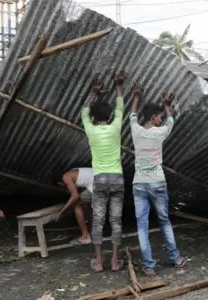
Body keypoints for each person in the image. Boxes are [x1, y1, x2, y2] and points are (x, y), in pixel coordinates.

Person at [129, 83, 188, 277]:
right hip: (157, 182)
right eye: (159, 117)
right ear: (153, 117)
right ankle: (176, 258)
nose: (161, 120)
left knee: (142, 226)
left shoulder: (136, 131)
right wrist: (167, 105)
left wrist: (136, 96)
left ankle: (149, 266)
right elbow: (171, 121)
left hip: (139, 184)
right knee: (164, 221)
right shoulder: (159, 132)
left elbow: (132, 115)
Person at [81, 73, 126, 273]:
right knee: (115, 220)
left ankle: (99, 262)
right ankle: (115, 261)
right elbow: (120, 106)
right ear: (108, 117)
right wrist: (118, 86)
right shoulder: (115, 128)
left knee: (98, 221)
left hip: (99, 179)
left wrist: (93, 93)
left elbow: (83, 111)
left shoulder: (90, 130)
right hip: (117, 178)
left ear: (94, 117)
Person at [55, 168, 94, 245]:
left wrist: (61, 212)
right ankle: (93, 232)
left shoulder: (65, 177)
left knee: (76, 206)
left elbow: (75, 196)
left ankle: (85, 237)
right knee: (86, 204)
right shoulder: (74, 172)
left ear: (60, 183)